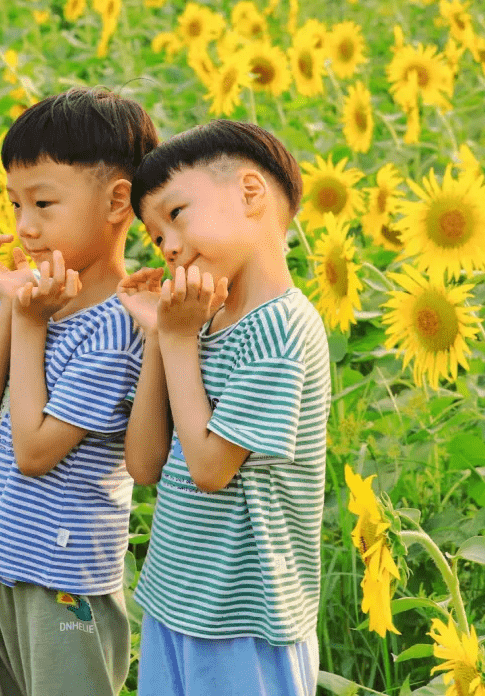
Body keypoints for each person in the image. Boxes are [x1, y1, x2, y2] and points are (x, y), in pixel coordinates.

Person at [0, 87, 159, 696]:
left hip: (61, 581)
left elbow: (34, 452)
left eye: (43, 202)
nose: (24, 227)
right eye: (15, 203)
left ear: (118, 201)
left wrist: (29, 320)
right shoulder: (33, 296)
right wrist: (17, 311)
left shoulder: (121, 328)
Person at [117, 120, 330, 696]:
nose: (169, 247)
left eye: (177, 214)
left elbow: (211, 469)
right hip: (175, 601)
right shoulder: (205, 322)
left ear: (250, 192)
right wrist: (160, 339)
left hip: (246, 623)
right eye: (156, 238)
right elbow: (143, 466)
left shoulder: (281, 328)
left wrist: (180, 340)